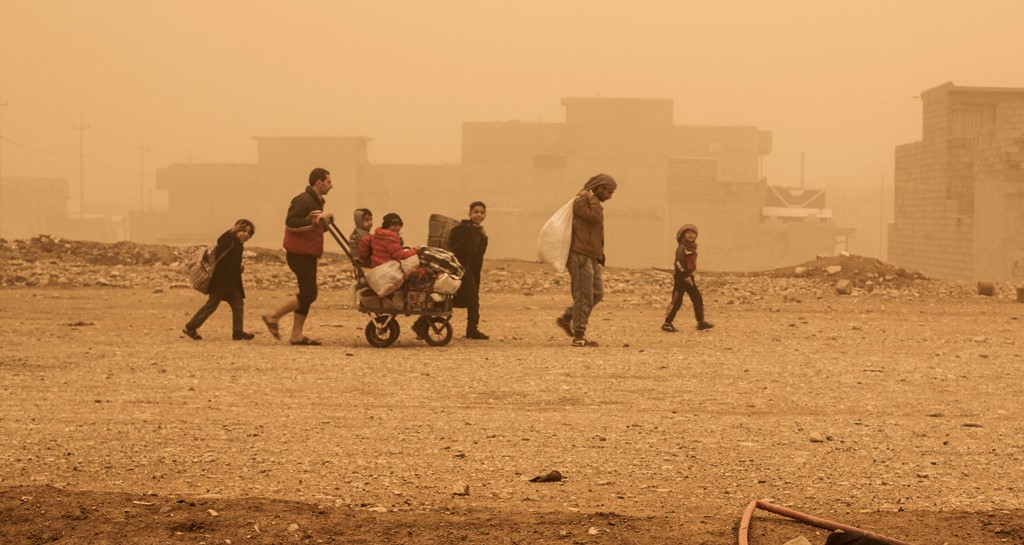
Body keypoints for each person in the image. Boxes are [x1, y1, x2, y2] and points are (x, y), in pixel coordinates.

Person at [262, 167, 334, 346]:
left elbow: (312, 227)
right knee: (309, 293)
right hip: (299, 253)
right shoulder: (303, 200)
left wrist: (323, 222)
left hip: (308, 252)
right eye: (328, 182)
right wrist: (316, 221)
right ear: (319, 182)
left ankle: (296, 335)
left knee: (308, 293)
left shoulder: (316, 201)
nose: (331, 186)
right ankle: (273, 316)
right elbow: (292, 224)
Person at [555, 173, 617, 347]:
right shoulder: (582, 200)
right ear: (599, 187)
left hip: (591, 255)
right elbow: (594, 218)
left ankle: (567, 318)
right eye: (608, 191)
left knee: (597, 293)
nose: (610, 197)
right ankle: (579, 336)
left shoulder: (590, 201)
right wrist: (591, 197)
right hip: (579, 254)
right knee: (583, 296)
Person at [183, 219, 257, 341]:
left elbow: (231, 262)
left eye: (249, 233)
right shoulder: (230, 240)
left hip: (232, 284)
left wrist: (239, 268)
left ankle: (238, 332)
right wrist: (231, 231)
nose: (245, 234)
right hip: (220, 282)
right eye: (243, 230)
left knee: (238, 305)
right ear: (236, 229)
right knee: (211, 305)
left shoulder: (238, 244)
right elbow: (221, 240)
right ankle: (191, 327)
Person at [662, 224, 714, 332]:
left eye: (693, 232)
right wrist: (685, 276)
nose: (691, 235)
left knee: (697, 298)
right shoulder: (682, 247)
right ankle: (667, 323)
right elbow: (678, 263)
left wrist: (689, 276)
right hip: (681, 278)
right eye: (688, 232)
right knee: (676, 301)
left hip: (689, 277)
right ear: (683, 235)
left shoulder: (692, 247)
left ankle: (701, 322)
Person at [449, 201, 489, 340]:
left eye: (482, 212)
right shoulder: (464, 229)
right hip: (462, 268)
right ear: (470, 214)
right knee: (472, 299)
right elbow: (463, 250)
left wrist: (483, 237)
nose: (479, 215)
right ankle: (472, 330)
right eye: (476, 212)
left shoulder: (479, 232)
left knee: (452, 298)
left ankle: (422, 324)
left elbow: (479, 254)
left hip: (470, 270)